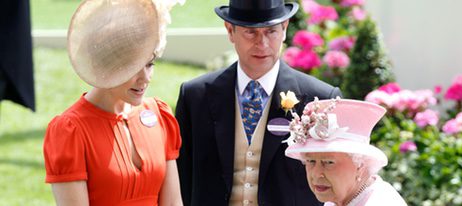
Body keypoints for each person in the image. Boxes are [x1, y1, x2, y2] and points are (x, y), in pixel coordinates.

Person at [175, 0, 342, 205]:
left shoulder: (321, 99)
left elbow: (336, 184)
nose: (261, 43)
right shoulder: (194, 96)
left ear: (284, 28)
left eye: (271, 31)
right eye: (250, 32)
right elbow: (180, 179)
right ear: (230, 31)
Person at [43, 0, 184, 205]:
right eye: (134, 67)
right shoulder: (70, 131)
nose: (145, 78)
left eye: (150, 64)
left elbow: (172, 203)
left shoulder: (159, 115)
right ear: (106, 64)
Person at [285, 98, 407, 206]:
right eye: (310, 161)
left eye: (328, 162)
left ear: (360, 165)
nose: (316, 174)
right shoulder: (340, 199)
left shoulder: (380, 202)